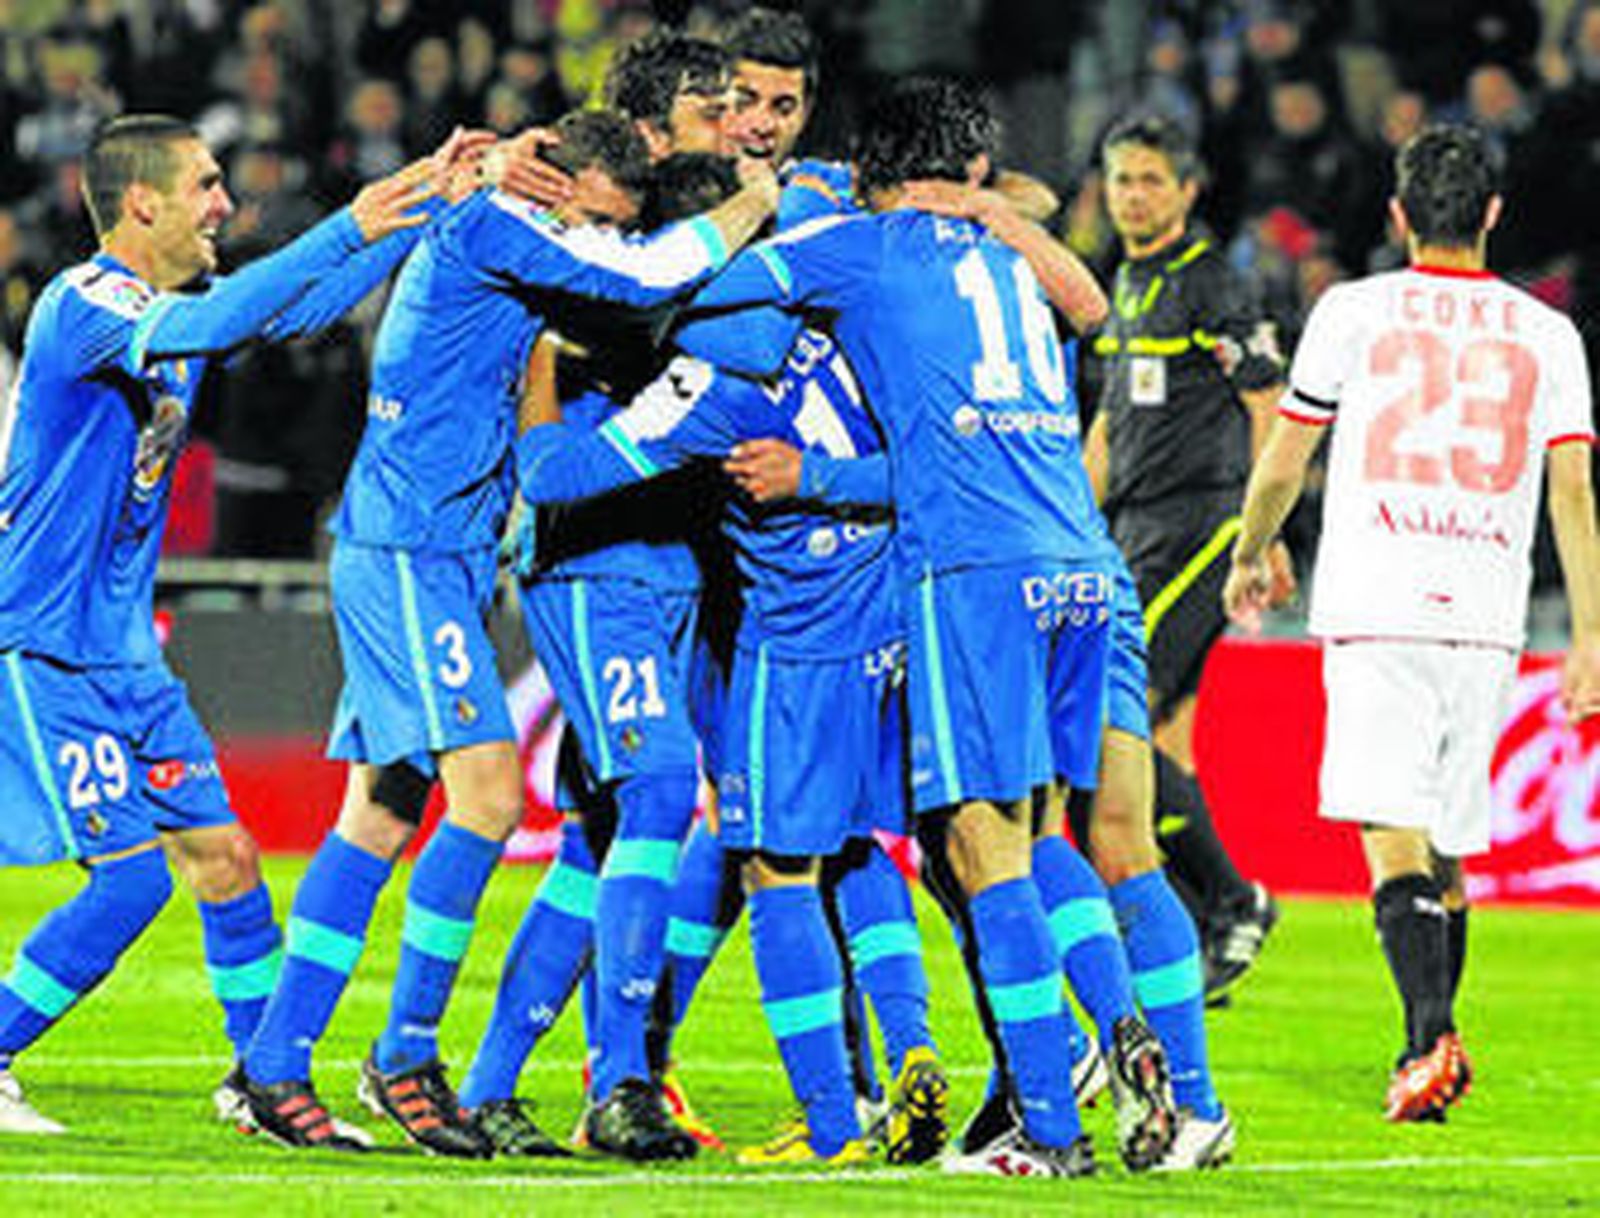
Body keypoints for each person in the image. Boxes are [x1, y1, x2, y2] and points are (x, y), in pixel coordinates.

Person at [230, 109, 778, 1155]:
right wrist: (755, 200)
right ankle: (404, 1053)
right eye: (598, 217)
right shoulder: (495, 223)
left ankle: (272, 1063)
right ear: (558, 186)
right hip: (407, 551)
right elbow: (646, 277)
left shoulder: (512, 225)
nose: (601, 242)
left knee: (384, 812)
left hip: (435, 553)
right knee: (485, 792)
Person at [683, 76, 1173, 1178]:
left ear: (872, 174)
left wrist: (761, 211)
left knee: (977, 847)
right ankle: (1121, 1025)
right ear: (977, 175)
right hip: (1082, 563)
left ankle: (1050, 1128)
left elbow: (708, 294)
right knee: (1039, 833)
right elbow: (1094, 309)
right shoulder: (1015, 256)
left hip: (976, 569)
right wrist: (998, 214)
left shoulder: (862, 246)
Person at [0, 113, 462, 1135]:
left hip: (125, 655)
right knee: (127, 887)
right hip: (38, 644)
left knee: (226, 860)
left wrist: (419, 217)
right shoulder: (86, 304)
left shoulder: (178, 308)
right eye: (207, 186)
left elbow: (282, 311)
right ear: (141, 201)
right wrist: (351, 223)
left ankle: (264, 1080)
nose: (225, 204)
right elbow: (234, 315)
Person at [1224, 123, 1600, 1123]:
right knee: (1448, 850)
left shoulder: (1351, 309)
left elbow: (1286, 456)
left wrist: (1250, 546)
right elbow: (1572, 491)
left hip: (1377, 595)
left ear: (1396, 215)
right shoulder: (1547, 333)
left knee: (1393, 840)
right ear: (1490, 213)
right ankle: (1427, 1044)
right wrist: (1593, 635)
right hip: (1485, 607)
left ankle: (1426, 1041)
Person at [1083, 113, 1285, 1001]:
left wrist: (1261, 535)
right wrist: (1069, 521)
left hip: (1200, 528)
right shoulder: (1122, 281)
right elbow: (1111, 426)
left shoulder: (1213, 284)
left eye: (1151, 180)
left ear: (1188, 189)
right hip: (1133, 530)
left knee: (1113, 722)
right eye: (1122, 178)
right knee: (1163, 739)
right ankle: (1209, 925)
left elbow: (1268, 404)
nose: (1134, 194)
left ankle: (1235, 899)